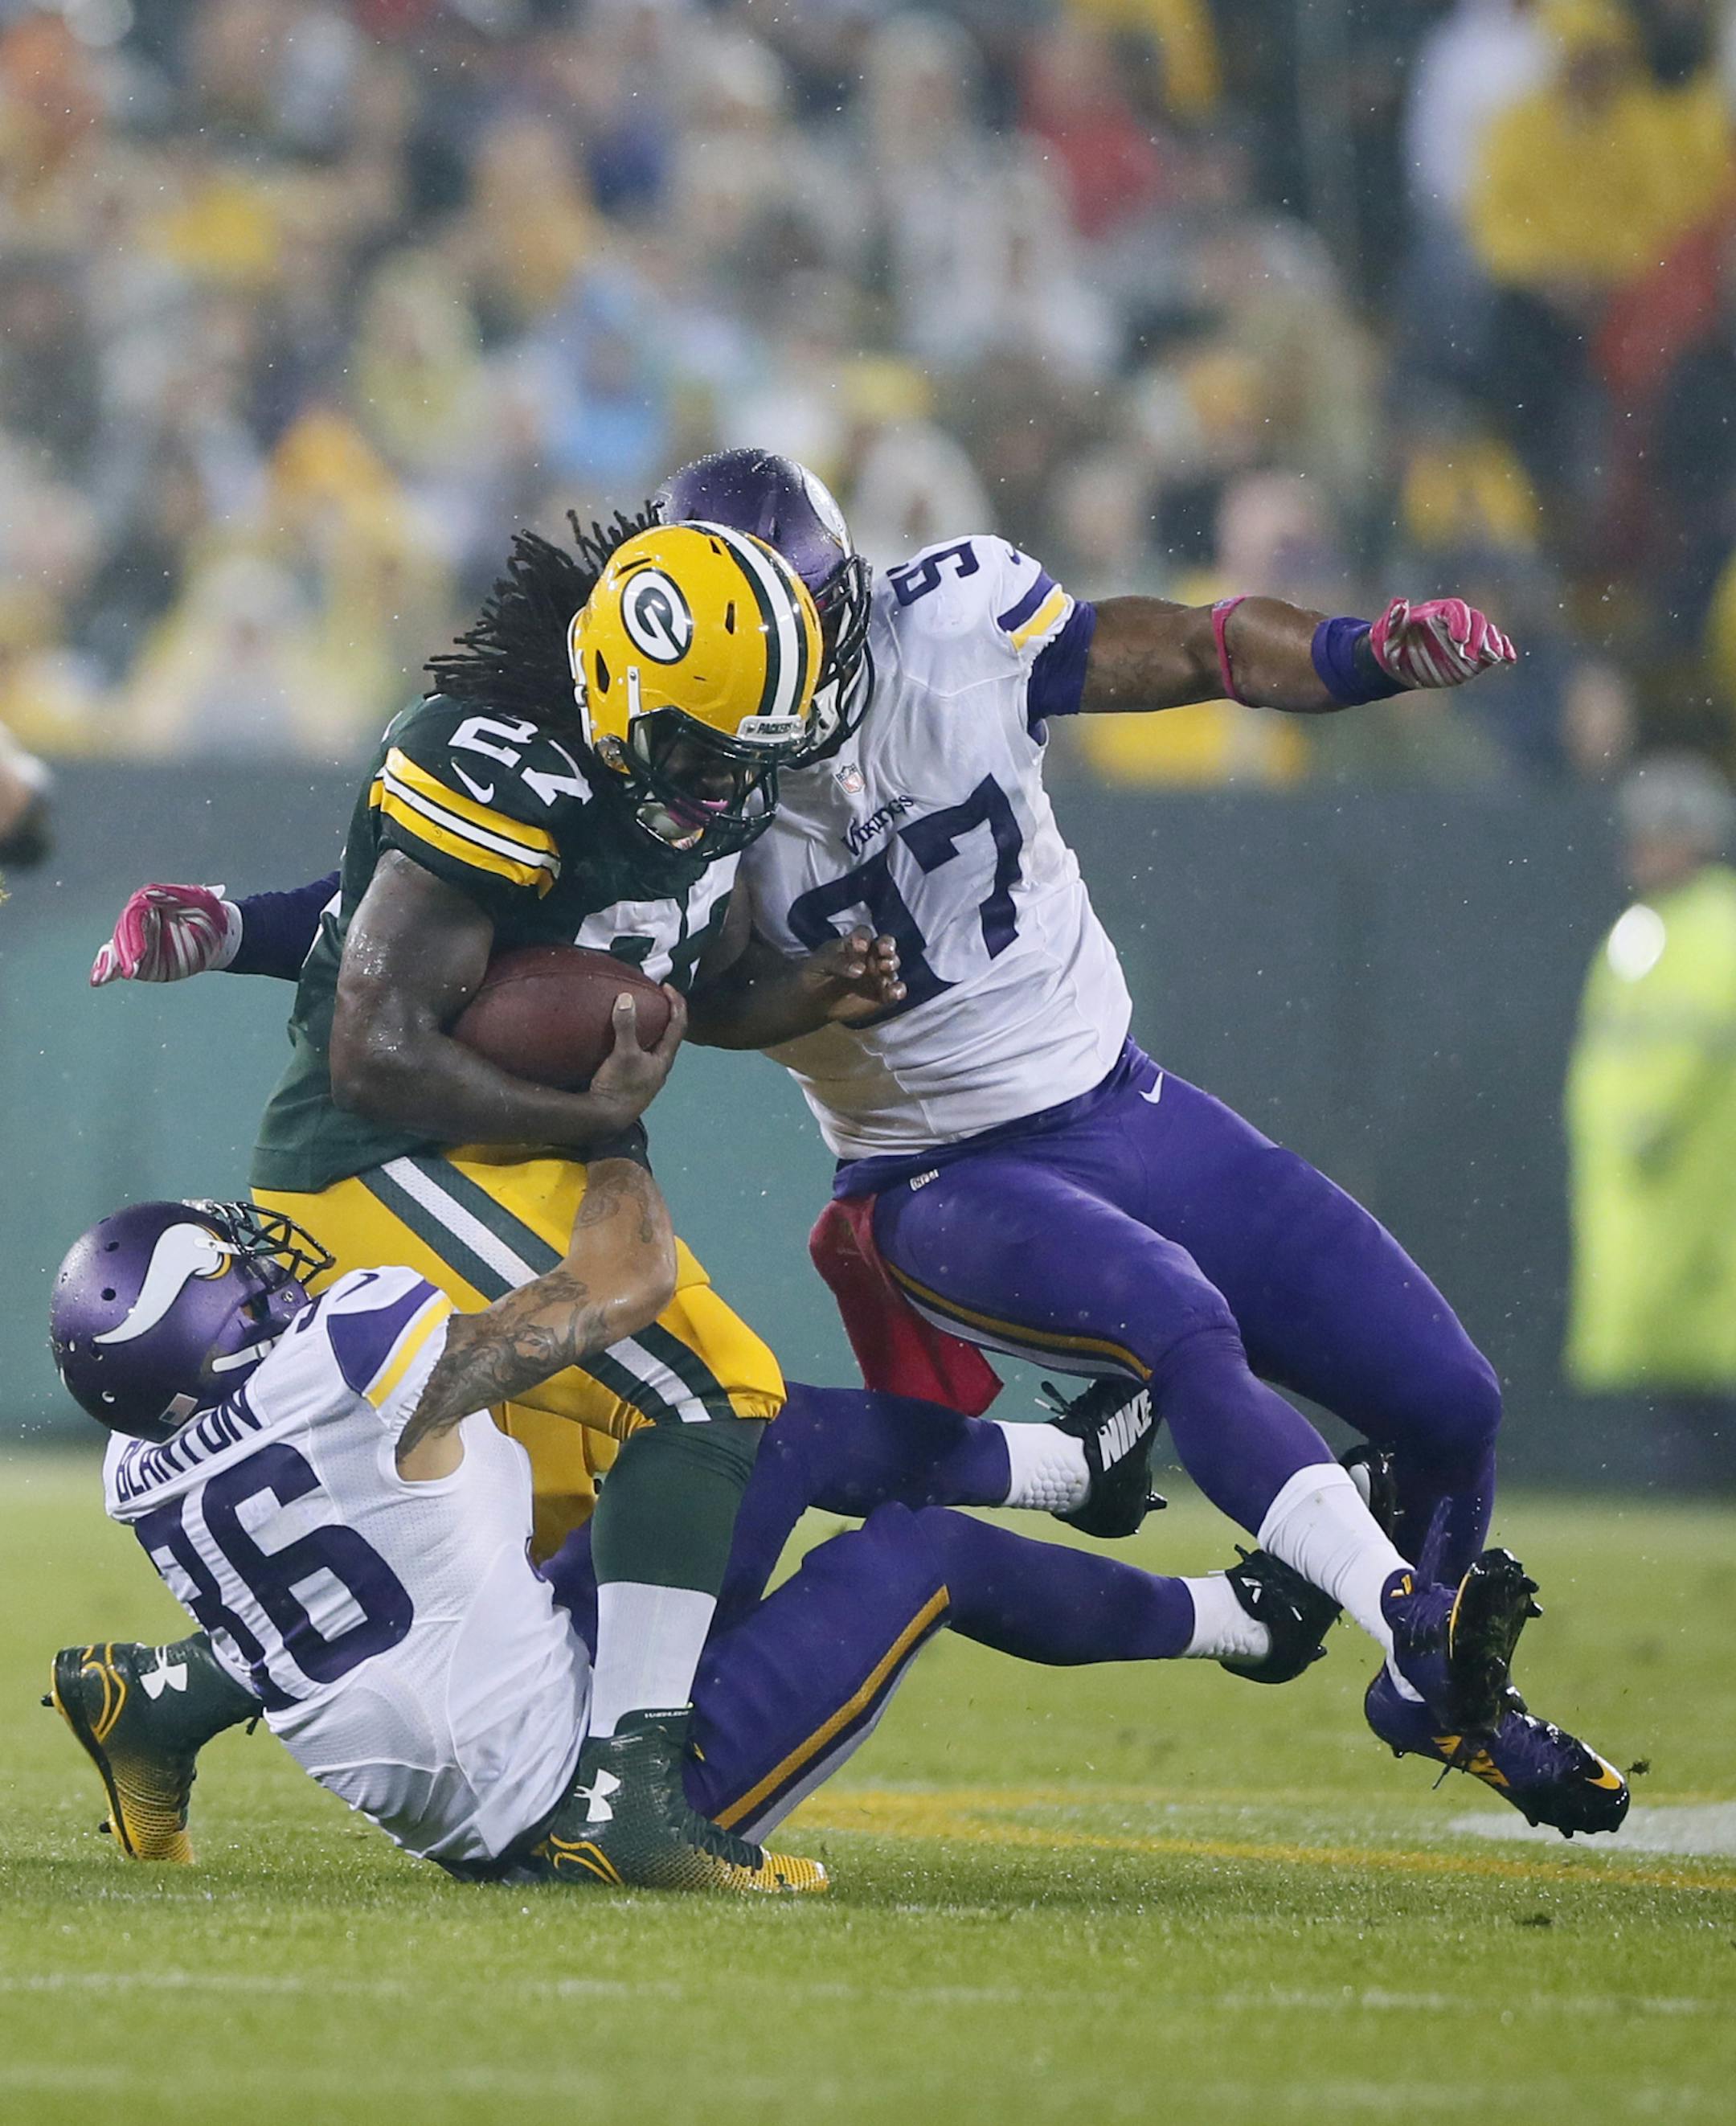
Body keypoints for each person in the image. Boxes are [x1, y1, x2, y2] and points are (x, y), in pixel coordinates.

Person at [85, 453, 1627, 1831]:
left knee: (1442, 1403)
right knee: (759, 1400)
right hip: (736, 1164)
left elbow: (1176, 647)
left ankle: (173, 1695)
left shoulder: (828, 687)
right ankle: (633, 1786)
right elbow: (426, 961)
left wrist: (1360, 655)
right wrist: (247, 930)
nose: (790, 716)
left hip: (1077, 1102)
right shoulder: (598, 751)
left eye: (817, 640)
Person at [47, 1189, 1603, 1893]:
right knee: (921, 1553)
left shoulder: (134, 1467)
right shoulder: (347, 1357)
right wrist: (607, 1131)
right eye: (234, 1273)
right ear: (212, 1318)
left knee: (762, 1429)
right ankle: (1235, 1621)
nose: (267, 1272)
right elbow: (614, 1291)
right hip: (558, 1779)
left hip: (499, 1683)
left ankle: (1073, 1463)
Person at [1566, 753, 1736, 1487]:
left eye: (1656, 834)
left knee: (1707, 1379)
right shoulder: (1637, 933)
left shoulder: (1719, 927)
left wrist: (1646, 1118)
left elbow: (1689, 1046)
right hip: (1645, 1195)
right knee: (1670, 1388)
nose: (1639, 851)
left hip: (1704, 1189)